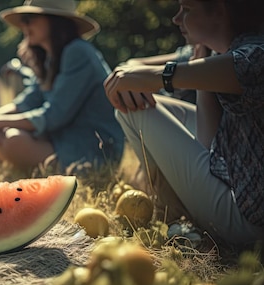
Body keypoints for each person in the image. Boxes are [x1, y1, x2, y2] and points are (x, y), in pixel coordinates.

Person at [103, 0, 264, 245]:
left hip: (250, 225)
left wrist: (162, 77)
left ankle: (177, 218)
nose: (176, 19)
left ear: (219, 11)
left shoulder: (255, 54)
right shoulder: (216, 50)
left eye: (186, 10)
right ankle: (181, 213)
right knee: (146, 104)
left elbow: (245, 66)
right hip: (234, 186)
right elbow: (208, 144)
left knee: (131, 110)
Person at [0, 0, 124, 174]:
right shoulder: (50, 59)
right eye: (23, 20)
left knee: (13, 140)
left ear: (54, 21)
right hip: (62, 139)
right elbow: (28, 101)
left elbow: (53, 115)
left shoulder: (78, 52)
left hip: (92, 150)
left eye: (30, 18)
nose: (24, 25)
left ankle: (34, 169)